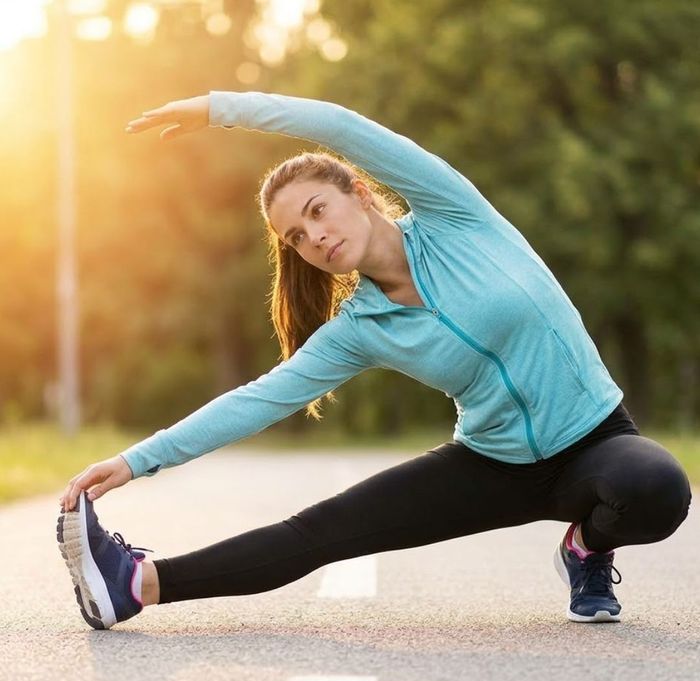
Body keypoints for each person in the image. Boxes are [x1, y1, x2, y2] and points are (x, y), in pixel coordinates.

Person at [57, 91, 691, 630]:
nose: (315, 237)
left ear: (357, 192)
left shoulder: (454, 215)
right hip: (492, 464)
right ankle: (133, 585)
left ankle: (587, 550)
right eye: (296, 238)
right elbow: (256, 400)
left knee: (655, 488)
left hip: (593, 440)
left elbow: (338, 126)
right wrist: (135, 460)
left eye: (317, 211)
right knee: (317, 533)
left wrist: (219, 108)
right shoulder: (358, 328)